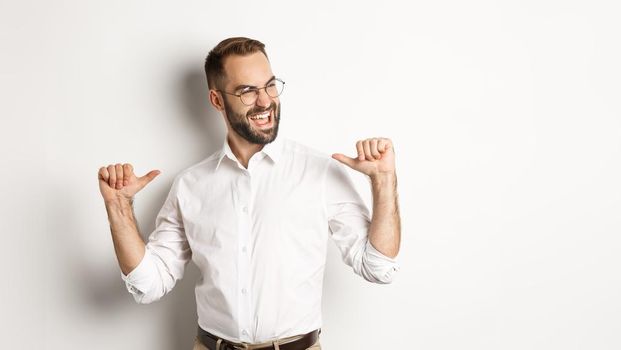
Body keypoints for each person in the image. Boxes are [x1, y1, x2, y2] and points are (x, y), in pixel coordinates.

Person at [97, 37, 402, 350]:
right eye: (247, 91)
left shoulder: (320, 172)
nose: (265, 101)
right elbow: (149, 286)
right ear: (217, 100)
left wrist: (383, 181)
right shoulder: (191, 185)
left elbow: (378, 268)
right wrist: (119, 208)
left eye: (270, 85)